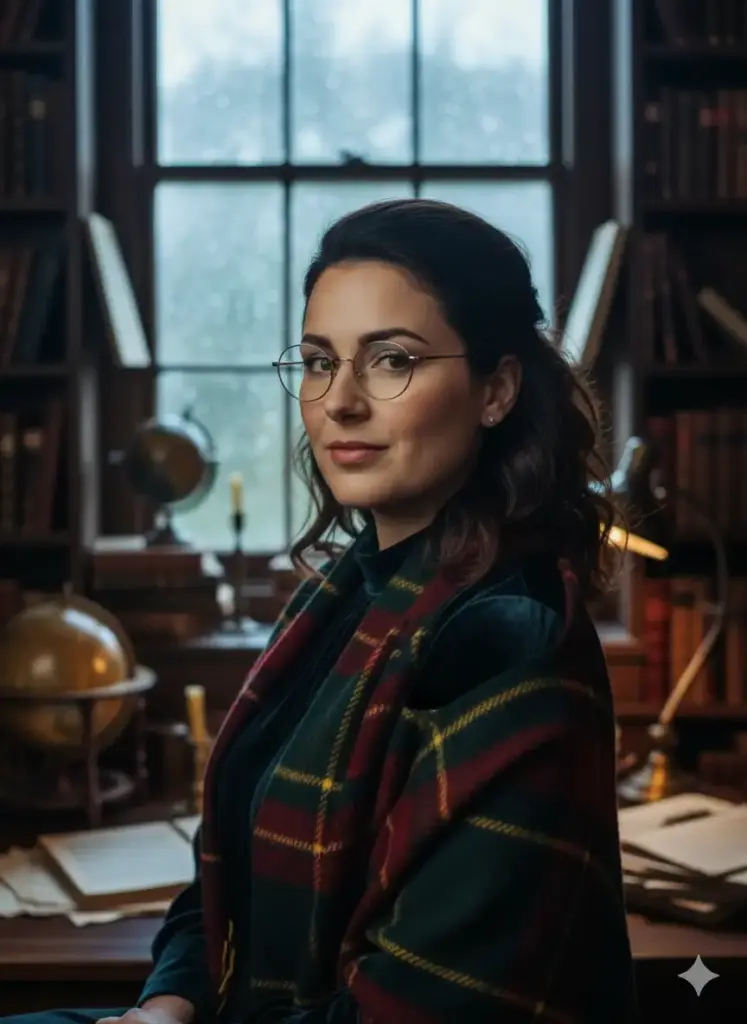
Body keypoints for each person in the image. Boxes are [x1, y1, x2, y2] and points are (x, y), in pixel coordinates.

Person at [4, 199, 638, 1024]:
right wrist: (166, 1006)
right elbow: (222, 871)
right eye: (316, 360)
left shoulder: (507, 643)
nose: (338, 401)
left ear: (497, 390)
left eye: (391, 361)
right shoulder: (340, 597)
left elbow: (416, 1010)